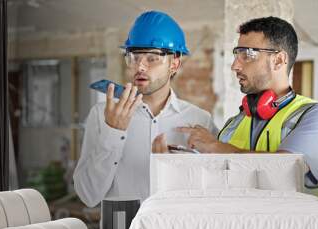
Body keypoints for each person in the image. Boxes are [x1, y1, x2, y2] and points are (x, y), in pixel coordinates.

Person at [153, 16, 318, 188]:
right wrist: (180, 168)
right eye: (236, 55)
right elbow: (219, 183)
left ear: (278, 60)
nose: (235, 65)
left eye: (247, 55)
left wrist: (217, 148)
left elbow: (287, 170)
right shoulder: (233, 125)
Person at [74, 11, 217, 208]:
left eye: (152, 58)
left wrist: (175, 174)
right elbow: (88, 196)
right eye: (134, 56)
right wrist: (112, 134)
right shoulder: (102, 115)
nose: (140, 66)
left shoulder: (200, 121)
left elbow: (213, 195)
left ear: (174, 63)